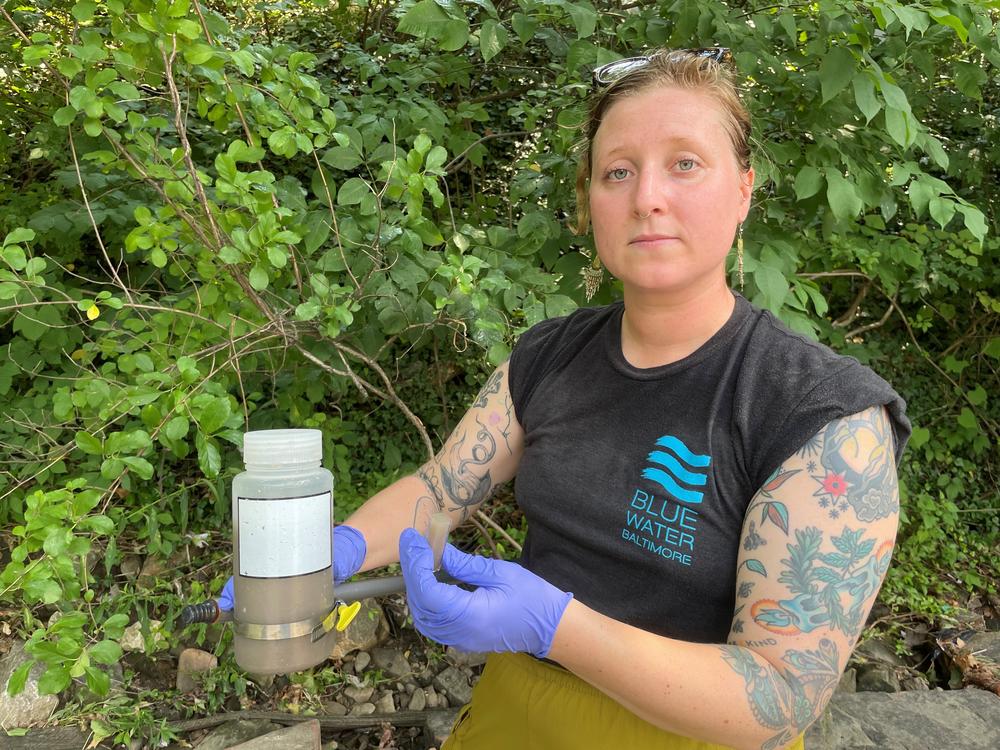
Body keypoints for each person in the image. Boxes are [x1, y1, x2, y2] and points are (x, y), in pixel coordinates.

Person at [229, 48, 910, 749]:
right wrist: (320, 555)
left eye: (685, 163)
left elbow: (780, 694)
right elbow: (439, 488)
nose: (647, 196)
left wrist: (556, 624)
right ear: (589, 202)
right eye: (618, 171)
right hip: (515, 714)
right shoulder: (550, 357)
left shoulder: (823, 416)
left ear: (744, 189)